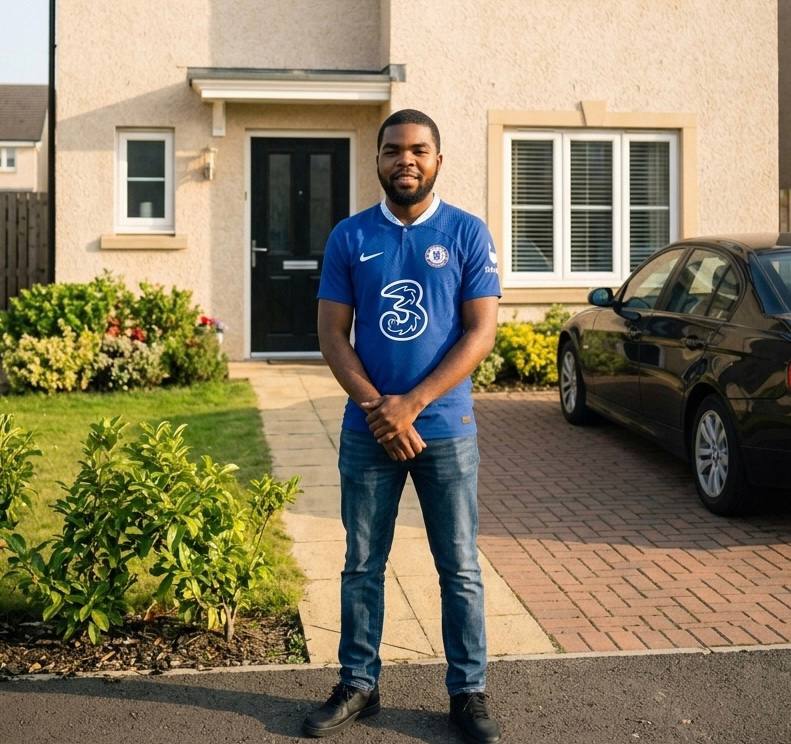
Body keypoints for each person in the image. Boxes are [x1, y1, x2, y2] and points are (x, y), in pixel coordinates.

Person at [302, 109, 502, 744]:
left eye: (419, 150)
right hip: (368, 432)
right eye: (393, 151)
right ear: (379, 160)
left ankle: (467, 692)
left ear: (438, 160)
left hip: (445, 427)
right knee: (362, 561)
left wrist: (410, 404)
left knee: (460, 566)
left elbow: (481, 331)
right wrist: (379, 410)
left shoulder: (467, 232)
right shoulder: (350, 236)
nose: (405, 160)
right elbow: (332, 335)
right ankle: (358, 683)